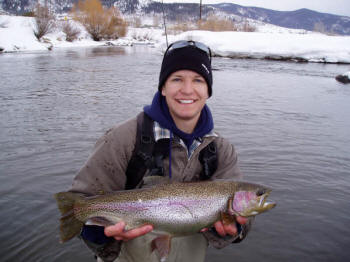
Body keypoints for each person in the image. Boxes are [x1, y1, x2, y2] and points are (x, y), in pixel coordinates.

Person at [70, 40, 253, 262]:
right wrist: (100, 232)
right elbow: (79, 205)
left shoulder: (221, 150)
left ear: (208, 90)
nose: (187, 89)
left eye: (198, 80)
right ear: (163, 87)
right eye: (177, 79)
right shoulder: (123, 139)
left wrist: (231, 229)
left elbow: (242, 222)